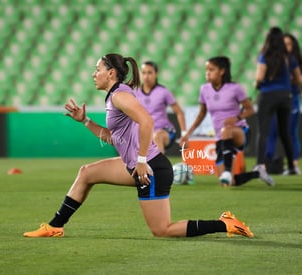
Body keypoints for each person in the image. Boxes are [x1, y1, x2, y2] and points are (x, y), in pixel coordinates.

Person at [23, 53, 253, 238]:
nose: (94, 74)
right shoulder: (116, 95)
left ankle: (224, 224)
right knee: (86, 173)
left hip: (150, 169)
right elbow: (115, 138)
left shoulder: (119, 96)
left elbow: (147, 121)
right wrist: (85, 121)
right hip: (134, 165)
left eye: (98, 69)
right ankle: (55, 226)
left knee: (163, 230)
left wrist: (142, 161)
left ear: (111, 73)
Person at [180, 56, 268, 187]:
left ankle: (227, 171)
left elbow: (250, 110)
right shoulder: (204, 89)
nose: (207, 73)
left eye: (211, 69)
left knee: (226, 130)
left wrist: (237, 118)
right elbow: (201, 114)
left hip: (240, 132)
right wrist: (188, 134)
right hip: (222, 138)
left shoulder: (235, 88)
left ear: (222, 71)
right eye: (206, 70)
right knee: (227, 182)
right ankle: (258, 173)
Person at [254, 26, 302, 181]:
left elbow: (259, 77)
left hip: (268, 95)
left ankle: (260, 165)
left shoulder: (265, 56)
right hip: (285, 96)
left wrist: (258, 84)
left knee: (263, 131)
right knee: (285, 132)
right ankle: (292, 166)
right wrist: (286, 83)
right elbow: (298, 79)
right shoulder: (288, 57)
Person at [265, 32, 302, 175]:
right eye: (284, 43)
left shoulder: (296, 62)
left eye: (289, 44)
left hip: (291, 100)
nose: (286, 46)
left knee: (290, 132)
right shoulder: (274, 61)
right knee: (272, 132)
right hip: (274, 100)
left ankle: (294, 165)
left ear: (293, 47)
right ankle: (267, 163)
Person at [135, 61, 187, 153]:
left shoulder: (163, 92)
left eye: (150, 72)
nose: (146, 76)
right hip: (144, 132)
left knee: (157, 136)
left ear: (156, 74)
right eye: (144, 73)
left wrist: (184, 134)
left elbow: (179, 112)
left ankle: (161, 167)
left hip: (165, 131)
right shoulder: (135, 93)